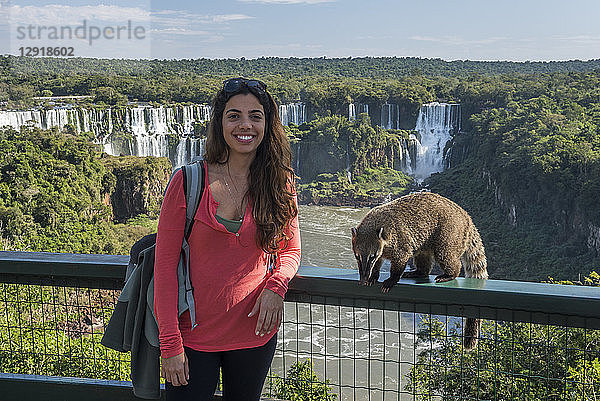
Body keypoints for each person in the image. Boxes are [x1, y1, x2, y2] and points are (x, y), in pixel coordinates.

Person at [153, 77, 301, 401]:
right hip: (191, 339)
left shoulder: (280, 182)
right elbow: (164, 269)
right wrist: (170, 343)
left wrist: (277, 287)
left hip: (255, 335)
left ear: (267, 123)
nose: (244, 125)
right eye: (234, 115)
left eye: (255, 116)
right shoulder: (188, 181)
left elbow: (291, 248)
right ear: (220, 122)